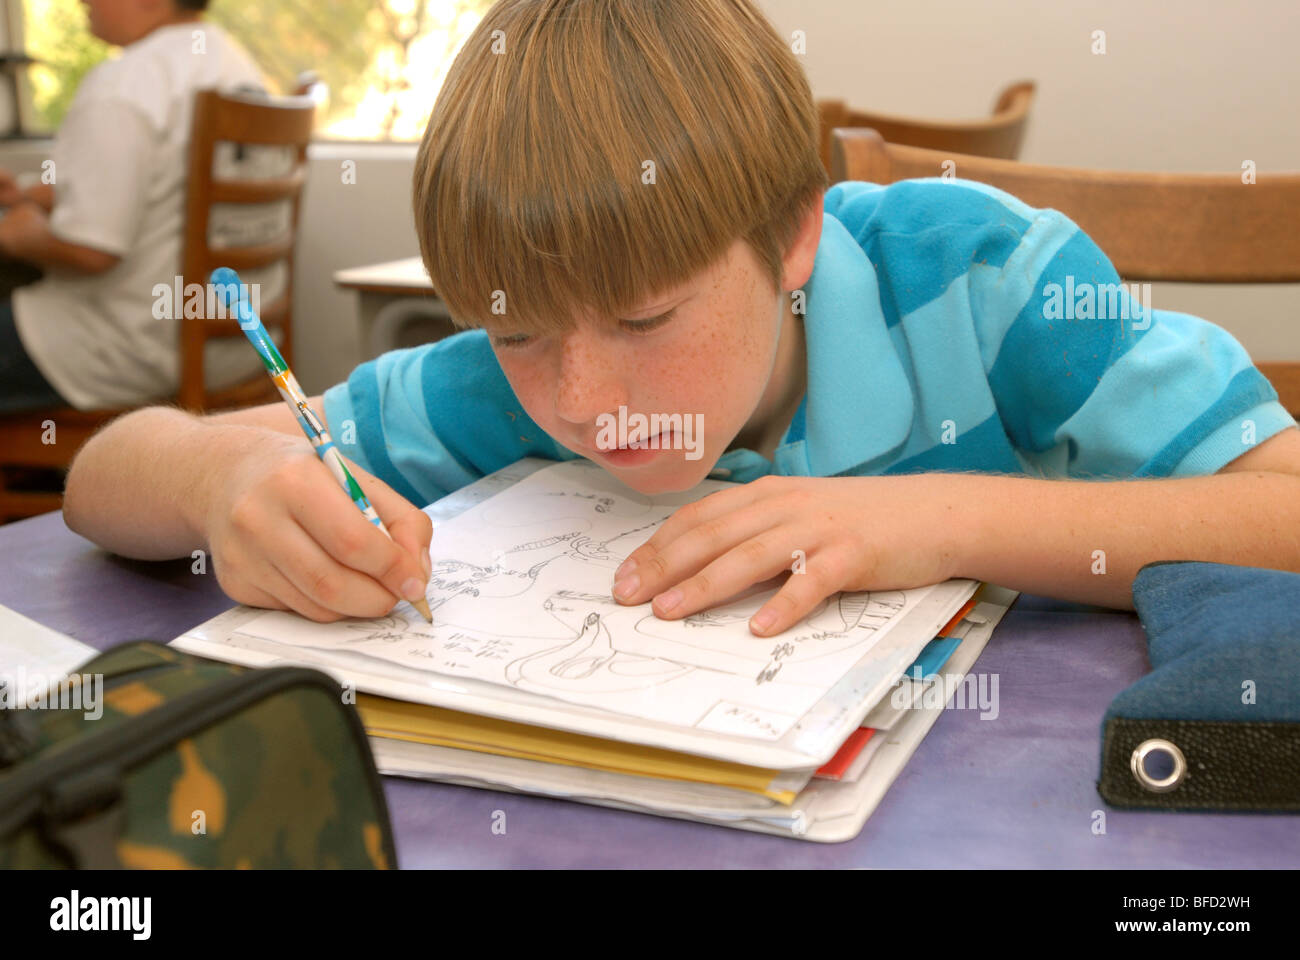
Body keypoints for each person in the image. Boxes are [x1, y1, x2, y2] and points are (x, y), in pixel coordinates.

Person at [64, 0, 1300, 634]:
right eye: (518, 331)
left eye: (648, 317)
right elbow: (103, 478)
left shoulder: (982, 282)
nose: (584, 400)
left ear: (795, 233)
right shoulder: (505, 388)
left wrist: (938, 517)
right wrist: (224, 476)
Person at [0, 0, 265, 415]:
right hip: (233, 346)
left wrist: (17, 236)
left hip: (125, 351)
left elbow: (92, 250)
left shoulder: (125, 83)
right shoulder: (234, 66)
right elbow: (149, 184)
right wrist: (31, 198)